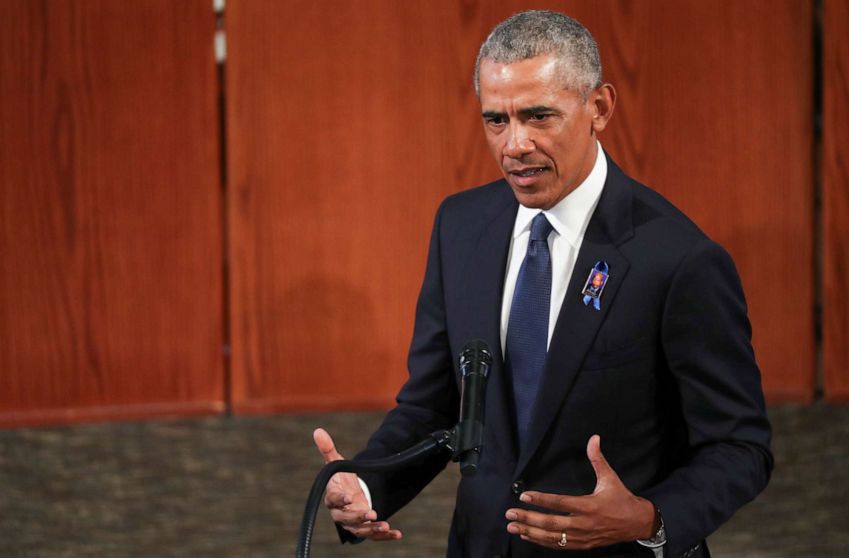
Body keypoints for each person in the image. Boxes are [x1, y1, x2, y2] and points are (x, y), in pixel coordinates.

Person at [313, 10, 772, 558]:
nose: (515, 145)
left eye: (538, 116)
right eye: (496, 121)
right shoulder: (460, 227)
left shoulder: (679, 259)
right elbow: (439, 405)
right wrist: (368, 485)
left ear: (599, 108)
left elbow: (740, 447)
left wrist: (650, 519)